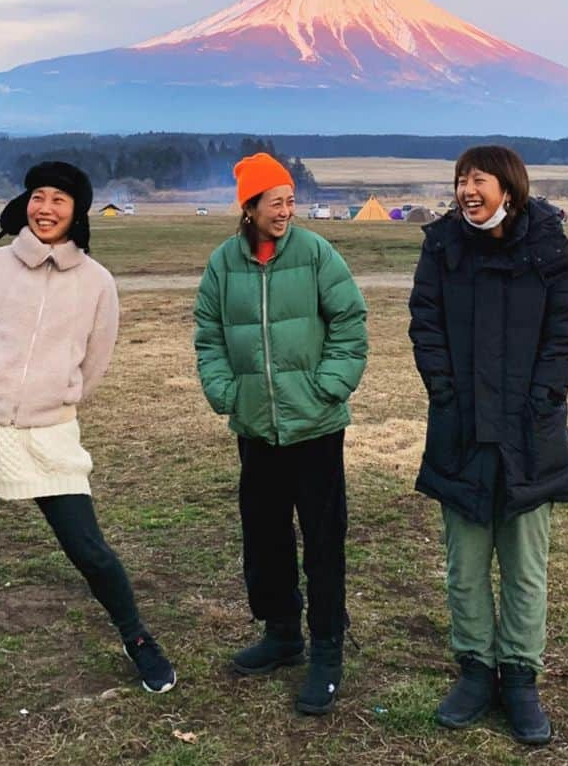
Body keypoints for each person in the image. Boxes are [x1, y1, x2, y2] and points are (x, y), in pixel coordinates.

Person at [0, 161, 175, 721]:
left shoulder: (97, 282)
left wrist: (56, 397)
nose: (45, 208)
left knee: (88, 547)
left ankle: (137, 638)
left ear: (77, 211)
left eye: (59, 200)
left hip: (49, 432)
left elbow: (96, 361)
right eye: (38, 197)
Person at [408, 146, 568, 745]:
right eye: (459, 180)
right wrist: (445, 394)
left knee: (524, 567)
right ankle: (475, 671)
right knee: (464, 567)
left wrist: (541, 401)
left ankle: (519, 677)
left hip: (530, 433)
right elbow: (424, 323)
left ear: (507, 186)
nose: (465, 190)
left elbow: (567, 329)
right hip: (459, 430)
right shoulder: (441, 247)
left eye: (477, 179)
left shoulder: (548, 245)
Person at [194, 152, 368, 716]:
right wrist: (228, 393)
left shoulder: (317, 253)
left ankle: (326, 649)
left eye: (291, 201)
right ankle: (282, 633)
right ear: (248, 207)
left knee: (322, 539)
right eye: (276, 202)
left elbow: (350, 321)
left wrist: (330, 386)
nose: (286, 211)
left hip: (314, 426)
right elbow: (209, 335)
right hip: (257, 428)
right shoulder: (224, 263)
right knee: (264, 535)